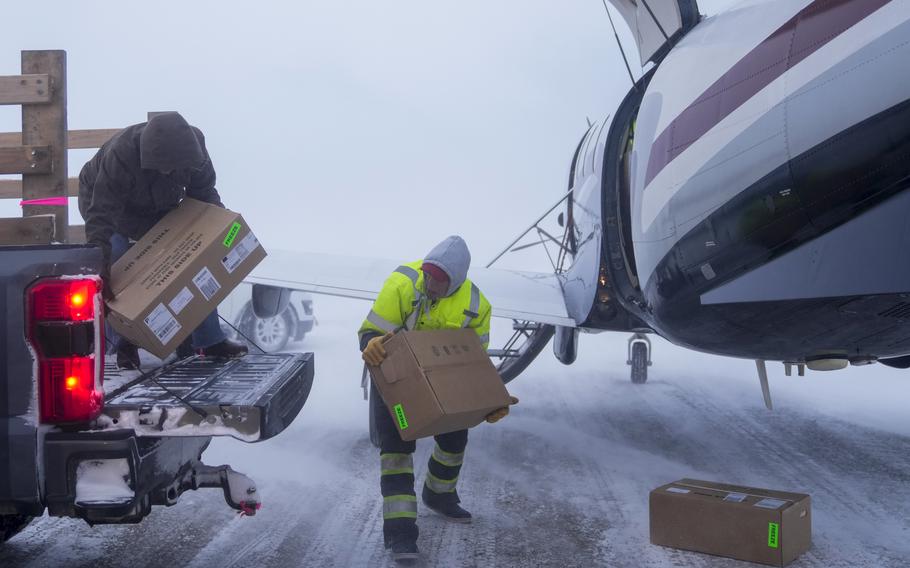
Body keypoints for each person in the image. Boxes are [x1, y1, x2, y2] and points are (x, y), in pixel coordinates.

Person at [358, 235, 518, 563]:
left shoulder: (476, 304)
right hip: (394, 378)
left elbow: (474, 363)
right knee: (396, 451)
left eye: (438, 282)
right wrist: (371, 343)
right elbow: (369, 331)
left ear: (455, 283)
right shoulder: (403, 283)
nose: (430, 285)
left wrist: (488, 400)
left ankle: (439, 494)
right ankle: (401, 534)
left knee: (454, 438)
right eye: (427, 276)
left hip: (445, 378)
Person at [78, 112, 247, 370]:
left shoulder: (195, 148)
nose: (168, 171)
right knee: (121, 262)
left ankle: (209, 340)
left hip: (159, 204)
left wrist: (217, 233)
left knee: (195, 259)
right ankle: (126, 341)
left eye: (174, 168)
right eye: (163, 167)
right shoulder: (122, 155)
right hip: (108, 205)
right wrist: (100, 264)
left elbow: (204, 194)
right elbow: (101, 215)